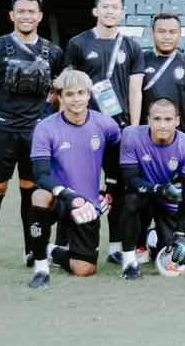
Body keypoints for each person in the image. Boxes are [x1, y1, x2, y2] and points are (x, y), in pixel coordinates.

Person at [0, 0, 64, 273]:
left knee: (30, 192)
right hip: (3, 132)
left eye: (31, 11)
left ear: (40, 16)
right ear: (12, 16)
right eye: (20, 11)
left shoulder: (53, 52)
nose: (26, 16)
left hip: (35, 134)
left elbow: (58, 94)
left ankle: (30, 252)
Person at [63, 0, 146, 263]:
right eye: (105, 6)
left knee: (116, 189)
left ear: (122, 12)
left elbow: (136, 91)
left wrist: (133, 128)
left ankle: (115, 247)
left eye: (115, 7)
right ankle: (68, 244)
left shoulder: (132, 45)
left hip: (117, 130)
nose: (110, 11)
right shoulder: (78, 43)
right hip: (83, 129)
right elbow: (67, 86)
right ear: (95, 11)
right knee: (76, 186)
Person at [25, 69, 121, 289]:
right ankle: (40, 268)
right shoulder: (45, 127)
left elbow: (115, 163)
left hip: (87, 204)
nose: (76, 99)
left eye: (80, 93)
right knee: (39, 196)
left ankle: (50, 251)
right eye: (69, 94)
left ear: (89, 95)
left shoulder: (106, 125)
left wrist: (109, 190)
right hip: (60, 197)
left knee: (84, 270)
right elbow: (41, 175)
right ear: (60, 97)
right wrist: (67, 195)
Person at [117, 98, 185, 280]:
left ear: (177, 121)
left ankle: (154, 238)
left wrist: (181, 233)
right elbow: (130, 180)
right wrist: (159, 189)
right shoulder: (131, 135)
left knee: (169, 254)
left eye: (168, 119)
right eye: (157, 119)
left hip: (170, 200)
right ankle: (129, 260)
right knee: (131, 200)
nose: (162, 125)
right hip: (144, 194)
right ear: (148, 120)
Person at [140, 13, 185, 136]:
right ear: (152, 33)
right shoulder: (140, 61)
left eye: (172, 32)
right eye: (161, 31)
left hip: (180, 137)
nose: (167, 36)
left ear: (180, 34)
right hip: (145, 136)